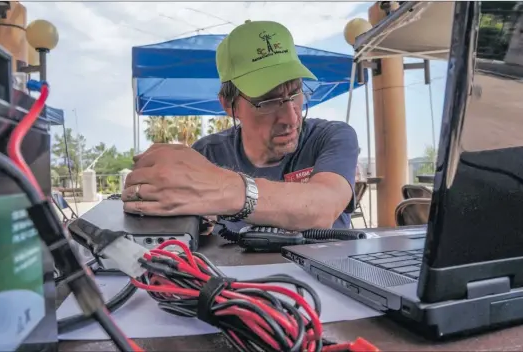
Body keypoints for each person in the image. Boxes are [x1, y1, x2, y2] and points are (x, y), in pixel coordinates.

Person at [121, 20, 359, 232]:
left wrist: (223, 189)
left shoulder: (332, 137)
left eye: (295, 92)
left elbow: (323, 207)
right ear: (228, 104)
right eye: (268, 101)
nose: (291, 118)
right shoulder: (207, 153)